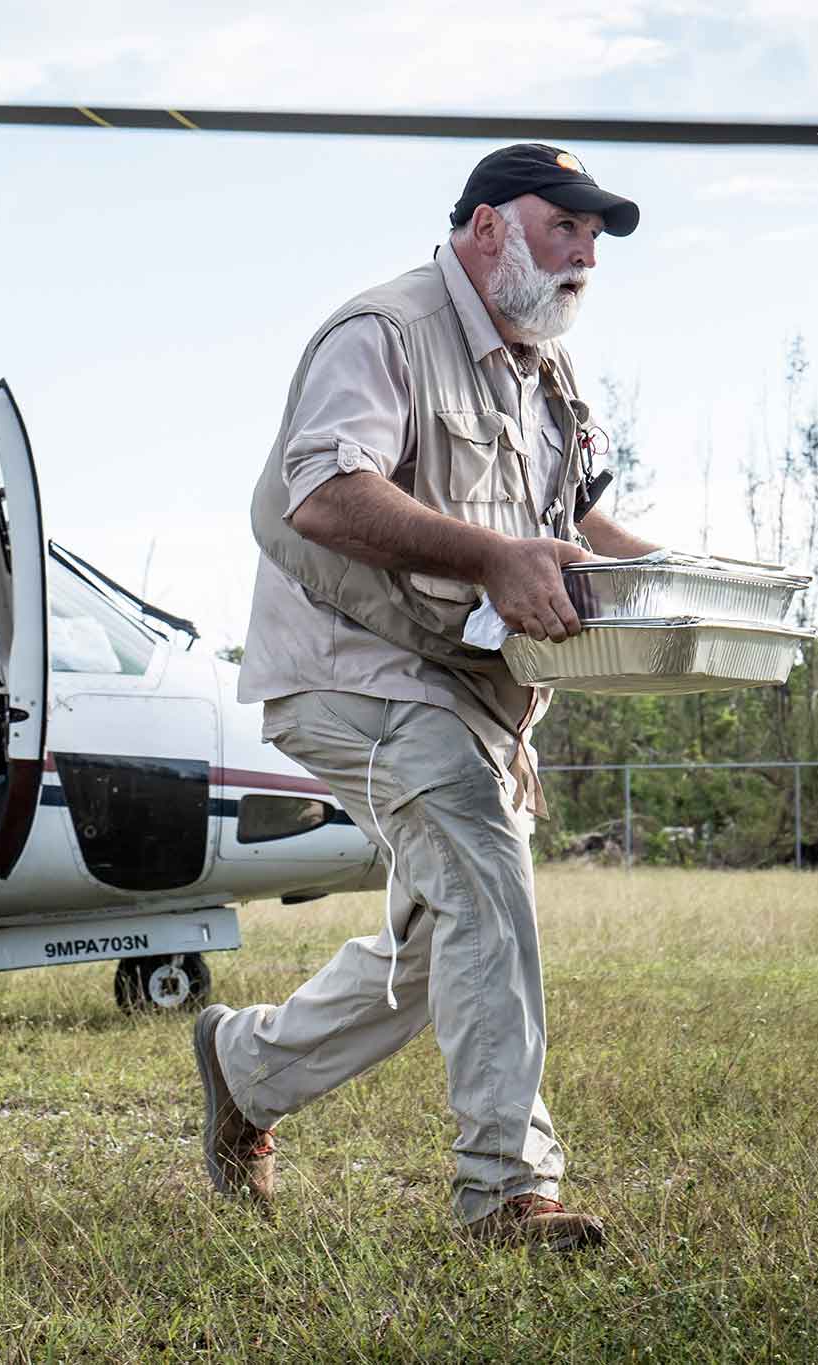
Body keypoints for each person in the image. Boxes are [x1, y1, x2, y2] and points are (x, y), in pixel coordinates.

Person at [195, 145, 661, 1246]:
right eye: (565, 228)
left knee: (437, 938)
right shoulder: (384, 330)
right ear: (489, 227)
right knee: (485, 882)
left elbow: (577, 526)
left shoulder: (543, 372)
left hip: (468, 694)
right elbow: (321, 493)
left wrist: (699, 591)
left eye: (595, 240)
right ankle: (504, 1187)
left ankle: (242, 1066)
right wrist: (495, 557)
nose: (585, 256)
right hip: (349, 673)